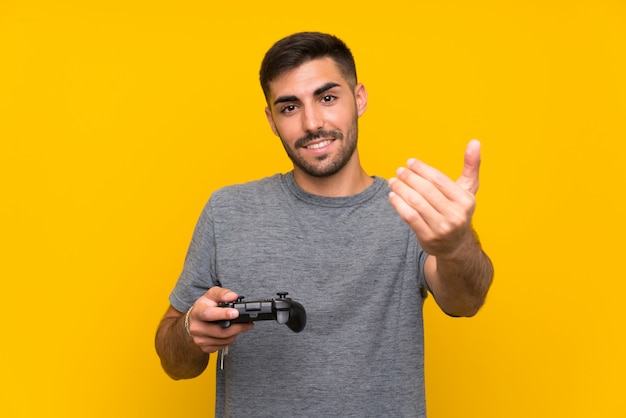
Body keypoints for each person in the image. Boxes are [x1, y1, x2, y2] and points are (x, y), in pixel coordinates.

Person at [155, 31, 493, 417]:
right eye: (289, 107)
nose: (312, 123)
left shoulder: (409, 210)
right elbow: (174, 361)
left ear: (359, 98)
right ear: (271, 120)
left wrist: (456, 246)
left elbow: (466, 301)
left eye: (327, 97)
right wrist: (191, 332)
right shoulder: (228, 210)